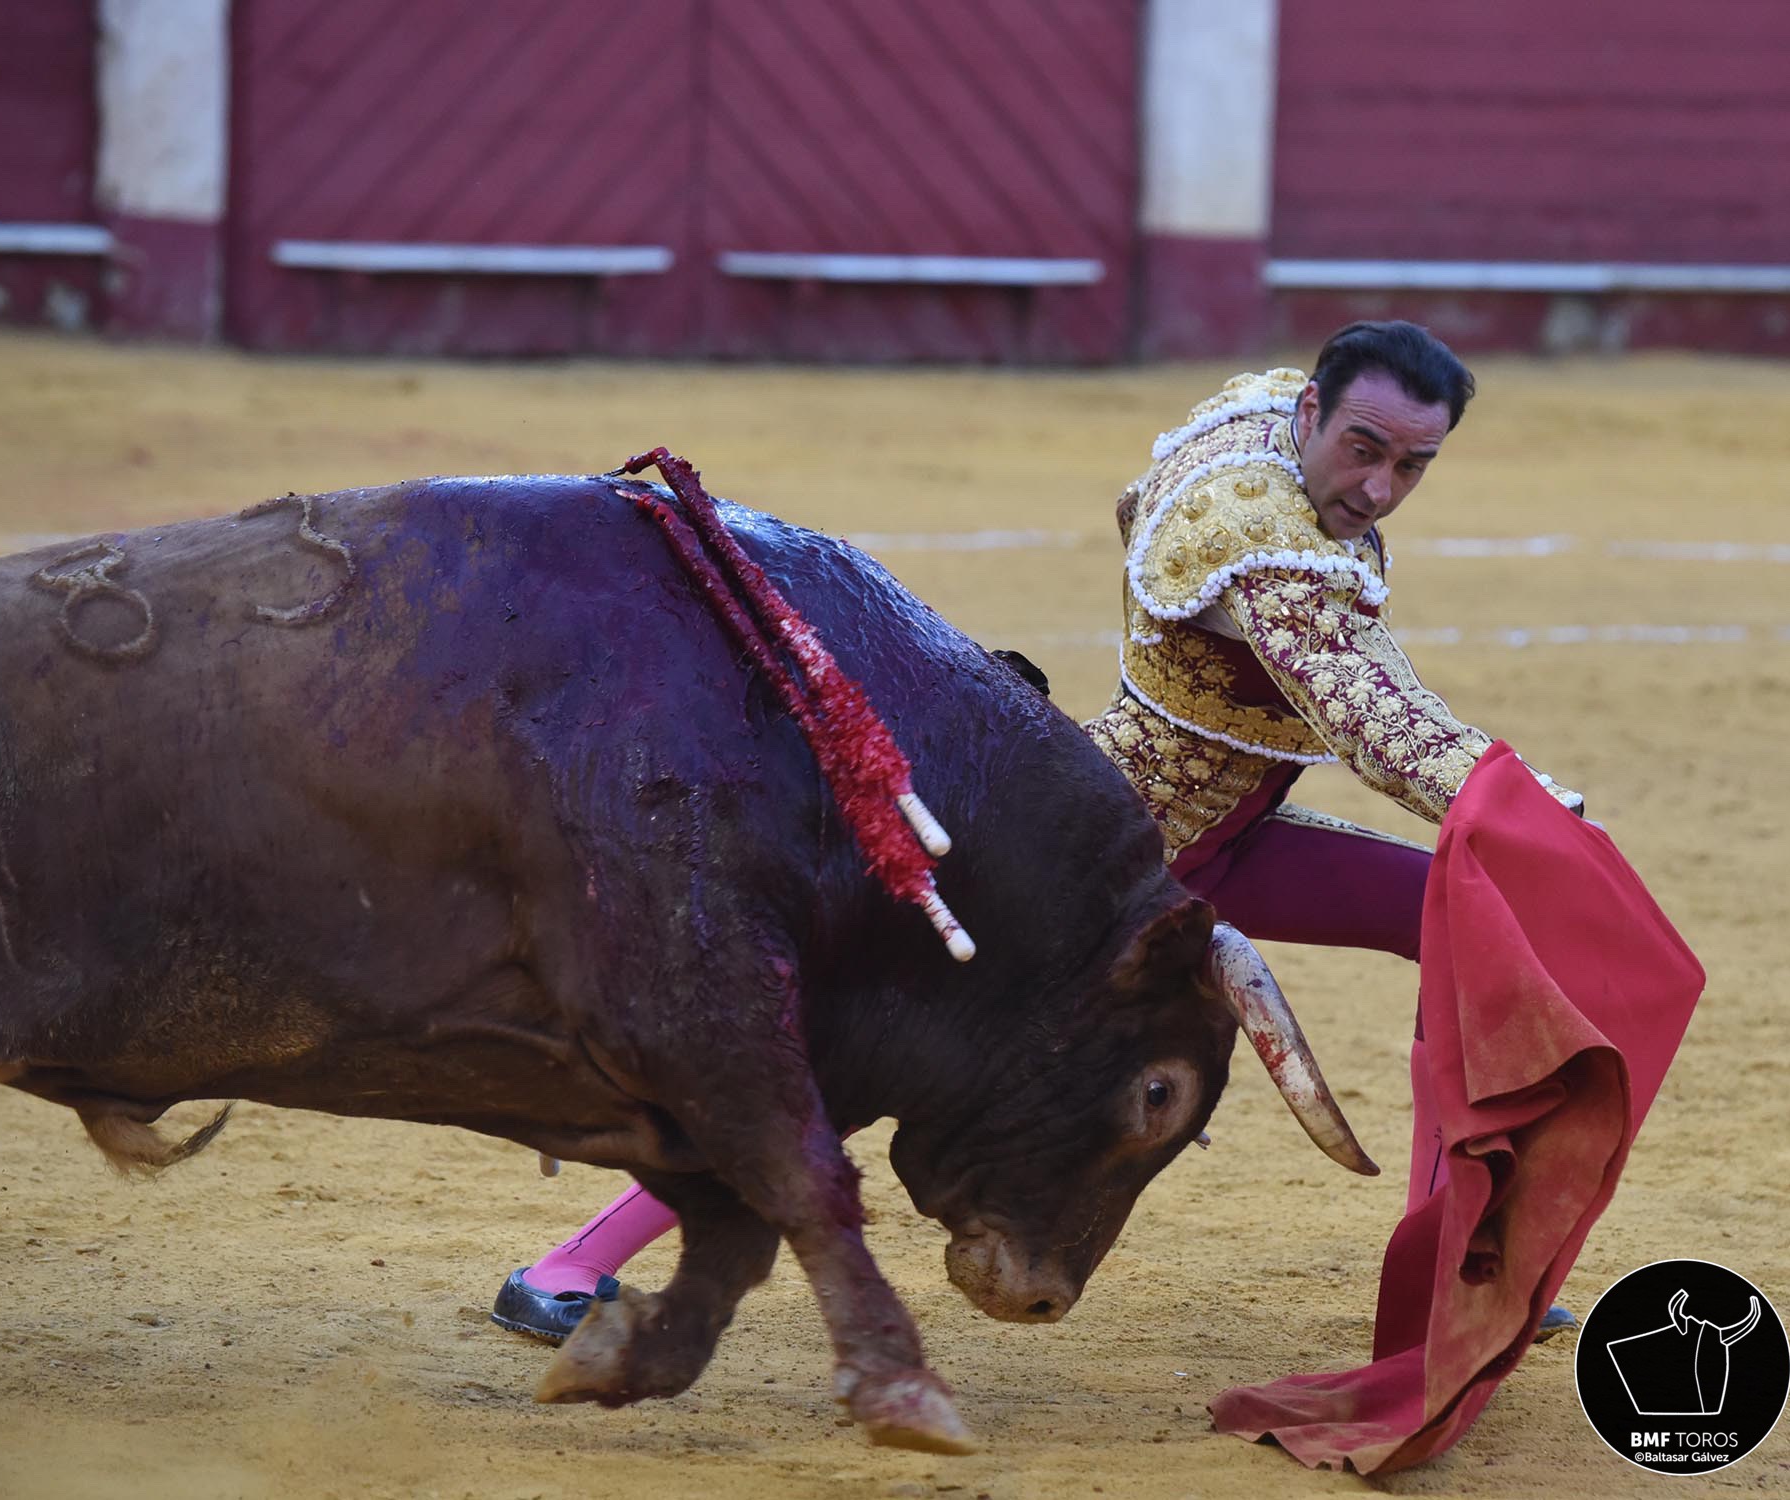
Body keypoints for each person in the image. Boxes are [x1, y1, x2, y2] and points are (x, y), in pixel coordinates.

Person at [490, 319, 1582, 1345]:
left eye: (1412, 465)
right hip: (1092, 872)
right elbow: (1374, 721)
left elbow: (1138, 504)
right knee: (849, 1062)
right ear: (1311, 413)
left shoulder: (1256, 432)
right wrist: (1529, 809)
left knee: (1455, 918)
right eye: (1363, 450)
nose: (1379, 488)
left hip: (1221, 841)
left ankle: (1454, 1264)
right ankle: (567, 1266)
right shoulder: (1256, 540)